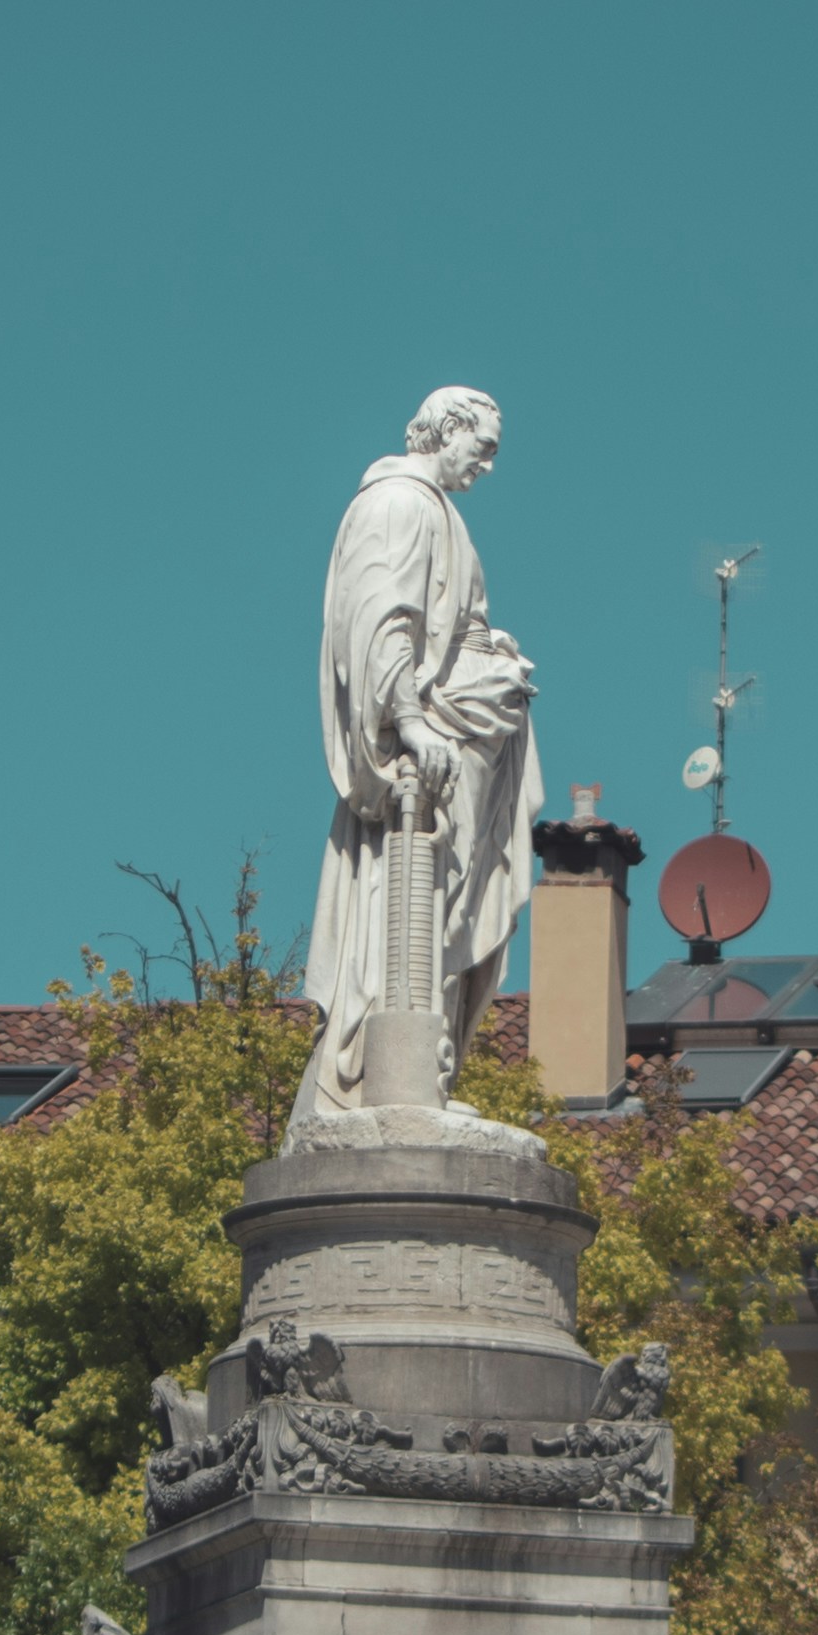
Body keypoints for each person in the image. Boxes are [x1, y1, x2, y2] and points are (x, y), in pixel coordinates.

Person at [293, 386, 541, 1130]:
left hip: (464, 734)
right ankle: (391, 1071)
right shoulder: (399, 501)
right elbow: (380, 614)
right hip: (429, 743)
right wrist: (406, 716)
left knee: (451, 905)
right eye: (483, 446)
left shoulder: (441, 513)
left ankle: (422, 1072)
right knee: (417, 902)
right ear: (449, 428)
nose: (487, 466)